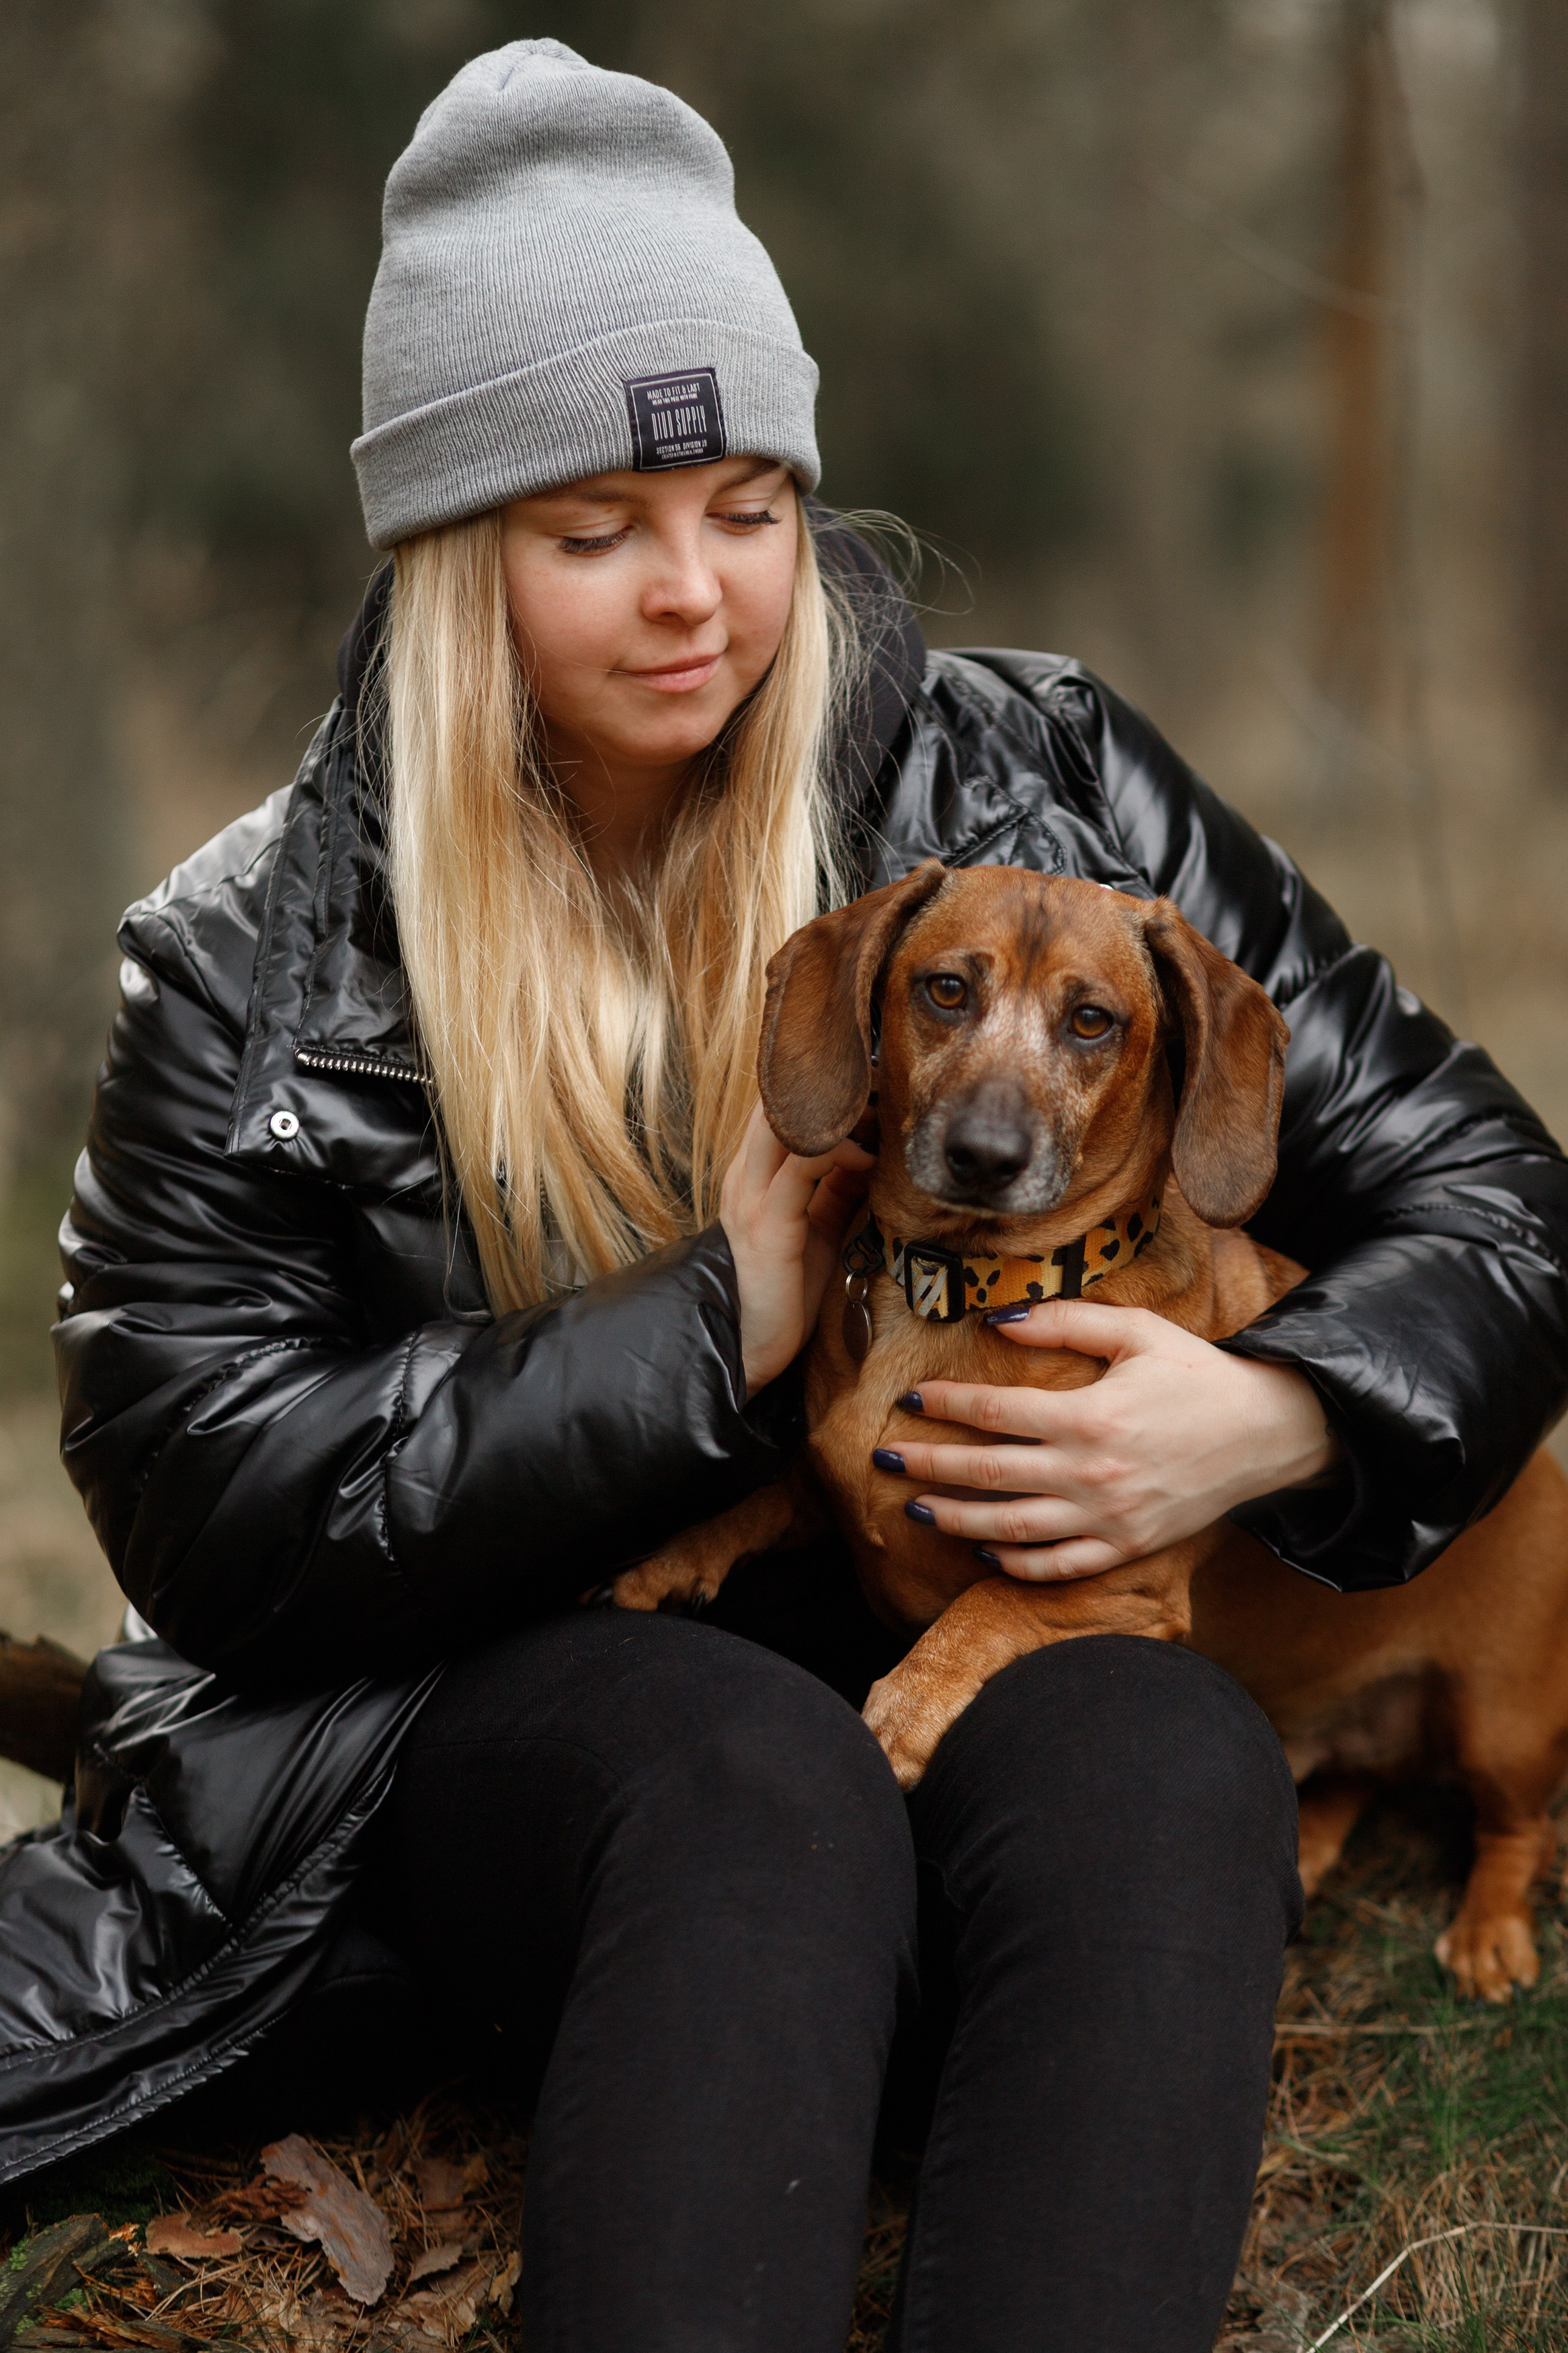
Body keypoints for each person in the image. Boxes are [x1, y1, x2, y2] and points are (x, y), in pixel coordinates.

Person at [3, 37, 1565, 2353]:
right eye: (594, 526)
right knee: (760, 1787)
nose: (695, 594)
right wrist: (707, 1325)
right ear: (453, 551)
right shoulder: (248, 952)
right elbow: (201, 1497)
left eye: (744, 502)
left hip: (985, 1605)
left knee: (1166, 1759)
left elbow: (1499, 1198)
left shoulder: (1040, 783)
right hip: (499, 1704)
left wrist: (1285, 1413)